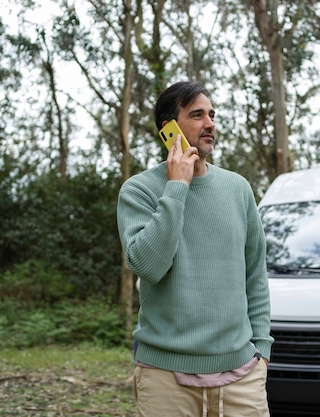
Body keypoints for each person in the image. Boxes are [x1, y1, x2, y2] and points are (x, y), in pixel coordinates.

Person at [116, 81, 273, 417]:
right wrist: (177, 187)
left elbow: (255, 274)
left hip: (242, 378)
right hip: (165, 380)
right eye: (197, 115)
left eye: (212, 115)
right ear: (168, 129)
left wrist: (262, 349)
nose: (210, 123)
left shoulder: (238, 188)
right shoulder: (139, 190)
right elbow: (148, 266)